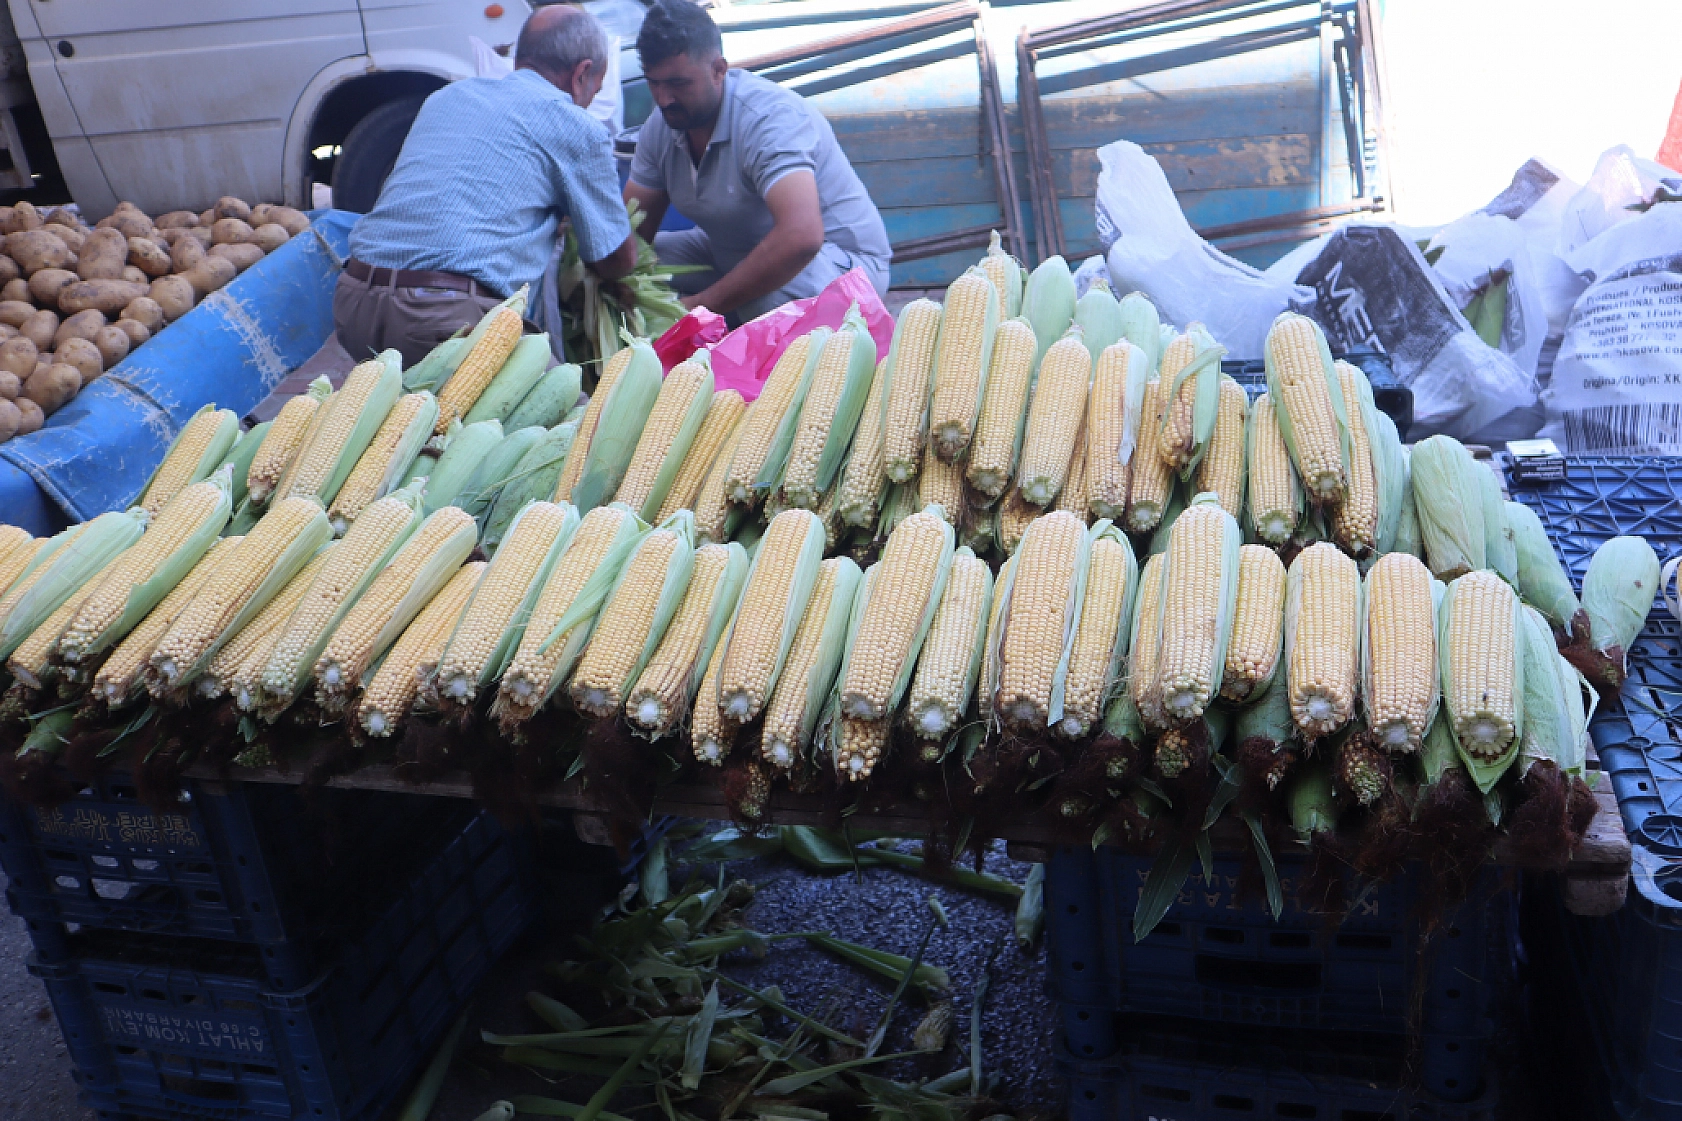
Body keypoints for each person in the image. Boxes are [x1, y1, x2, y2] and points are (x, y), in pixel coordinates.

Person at [335, 6, 637, 367]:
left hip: (353, 302)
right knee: (575, 414)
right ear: (582, 73)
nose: (587, 103)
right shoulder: (575, 125)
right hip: (440, 316)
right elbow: (615, 259)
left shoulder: (448, 97)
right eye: (594, 90)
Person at [624, 0, 891, 324]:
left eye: (679, 84)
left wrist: (702, 306)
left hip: (841, 264)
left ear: (719, 70)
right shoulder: (663, 124)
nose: (665, 98)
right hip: (731, 249)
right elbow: (633, 230)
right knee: (637, 265)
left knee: (769, 295)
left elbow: (802, 237)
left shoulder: (768, 120)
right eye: (654, 82)